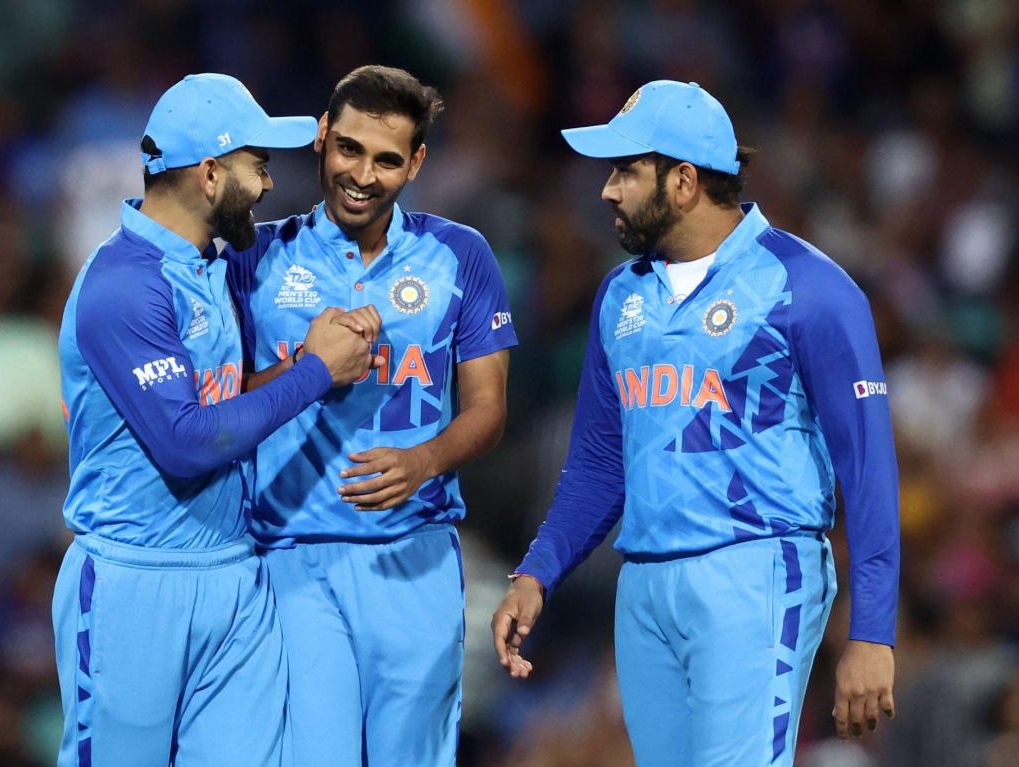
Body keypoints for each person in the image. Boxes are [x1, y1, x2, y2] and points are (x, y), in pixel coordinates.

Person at [491, 80, 900, 766]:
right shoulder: (619, 294)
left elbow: (866, 466)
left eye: (625, 171)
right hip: (644, 583)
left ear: (683, 181)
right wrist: (536, 573)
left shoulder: (809, 287)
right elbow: (597, 460)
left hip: (756, 568)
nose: (607, 190)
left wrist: (872, 631)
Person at [54, 73, 382, 767]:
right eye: (256, 165)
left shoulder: (208, 266)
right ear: (209, 174)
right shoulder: (122, 286)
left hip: (232, 573)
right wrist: (314, 372)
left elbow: (216, 400)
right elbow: (184, 442)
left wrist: (312, 362)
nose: (266, 185)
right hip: (133, 583)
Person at [224, 65, 518, 766]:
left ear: (416, 163)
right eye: (349, 149)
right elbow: (219, 400)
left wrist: (426, 460)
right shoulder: (255, 256)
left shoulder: (461, 255)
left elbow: (487, 407)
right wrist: (311, 367)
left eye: (387, 159)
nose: (363, 174)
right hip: (292, 556)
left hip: (416, 559)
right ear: (322, 139)